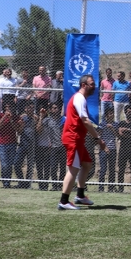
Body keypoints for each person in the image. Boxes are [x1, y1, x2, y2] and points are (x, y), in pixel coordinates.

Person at [57, 74, 107, 210]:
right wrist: (98, 139)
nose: (94, 86)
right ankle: (64, 201)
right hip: (73, 138)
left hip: (77, 138)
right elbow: (85, 120)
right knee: (73, 169)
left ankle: (79, 196)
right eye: (91, 84)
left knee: (87, 164)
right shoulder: (79, 98)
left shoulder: (81, 98)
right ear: (83, 85)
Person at [36, 102, 66, 191]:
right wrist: (41, 117)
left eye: (56, 108)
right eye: (53, 108)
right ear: (50, 110)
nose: (55, 109)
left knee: (62, 168)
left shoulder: (63, 119)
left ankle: (60, 185)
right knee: (53, 167)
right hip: (53, 147)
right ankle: (54, 185)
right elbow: (38, 129)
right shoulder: (48, 120)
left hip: (63, 146)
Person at [0, 103, 19, 188]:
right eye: (6, 108)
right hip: (2, 144)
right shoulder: (1, 115)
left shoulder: (15, 117)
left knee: (9, 164)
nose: (8, 109)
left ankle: (7, 183)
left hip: (12, 143)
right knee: (4, 164)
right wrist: (5, 117)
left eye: (10, 107)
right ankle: (4, 182)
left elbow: (17, 129)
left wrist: (11, 119)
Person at [97, 108, 118, 192]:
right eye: (110, 114)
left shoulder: (116, 124)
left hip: (113, 149)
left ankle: (111, 187)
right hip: (103, 149)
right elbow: (98, 136)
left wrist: (112, 128)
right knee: (103, 169)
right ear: (106, 116)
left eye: (112, 113)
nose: (112, 115)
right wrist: (104, 147)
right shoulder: (102, 124)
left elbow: (117, 135)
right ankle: (101, 187)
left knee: (112, 169)